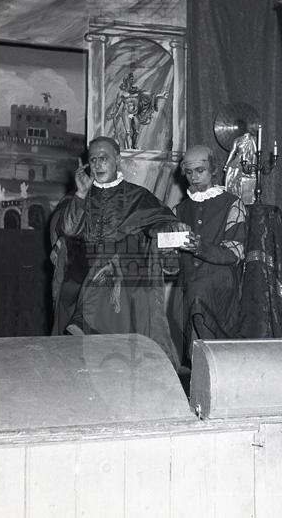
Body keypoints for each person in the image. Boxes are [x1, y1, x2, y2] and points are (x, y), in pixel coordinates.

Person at [50, 136, 183, 357]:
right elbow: (68, 230)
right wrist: (81, 194)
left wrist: (171, 229)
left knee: (116, 258)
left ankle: (83, 321)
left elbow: (161, 222)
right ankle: (81, 324)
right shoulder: (79, 196)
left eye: (104, 158)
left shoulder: (137, 196)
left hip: (124, 272)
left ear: (118, 160)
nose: (97, 164)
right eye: (93, 160)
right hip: (81, 267)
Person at [175, 145, 247, 362]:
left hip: (220, 282)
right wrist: (168, 246)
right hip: (188, 283)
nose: (194, 177)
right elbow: (172, 264)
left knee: (216, 348)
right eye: (189, 172)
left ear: (214, 169)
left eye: (200, 170)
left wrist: (199, 246)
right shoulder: (179, 210)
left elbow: (234, 252)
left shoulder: (232, 204)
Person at [223, 131, 257, 204]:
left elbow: (254, 153)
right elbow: (232, 152)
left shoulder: (252, 139)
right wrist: (227, 164)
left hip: (247, 162)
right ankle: (231, 195)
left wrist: (253, 166)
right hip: (237, 160)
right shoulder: (237, 140)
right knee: (230, 169)